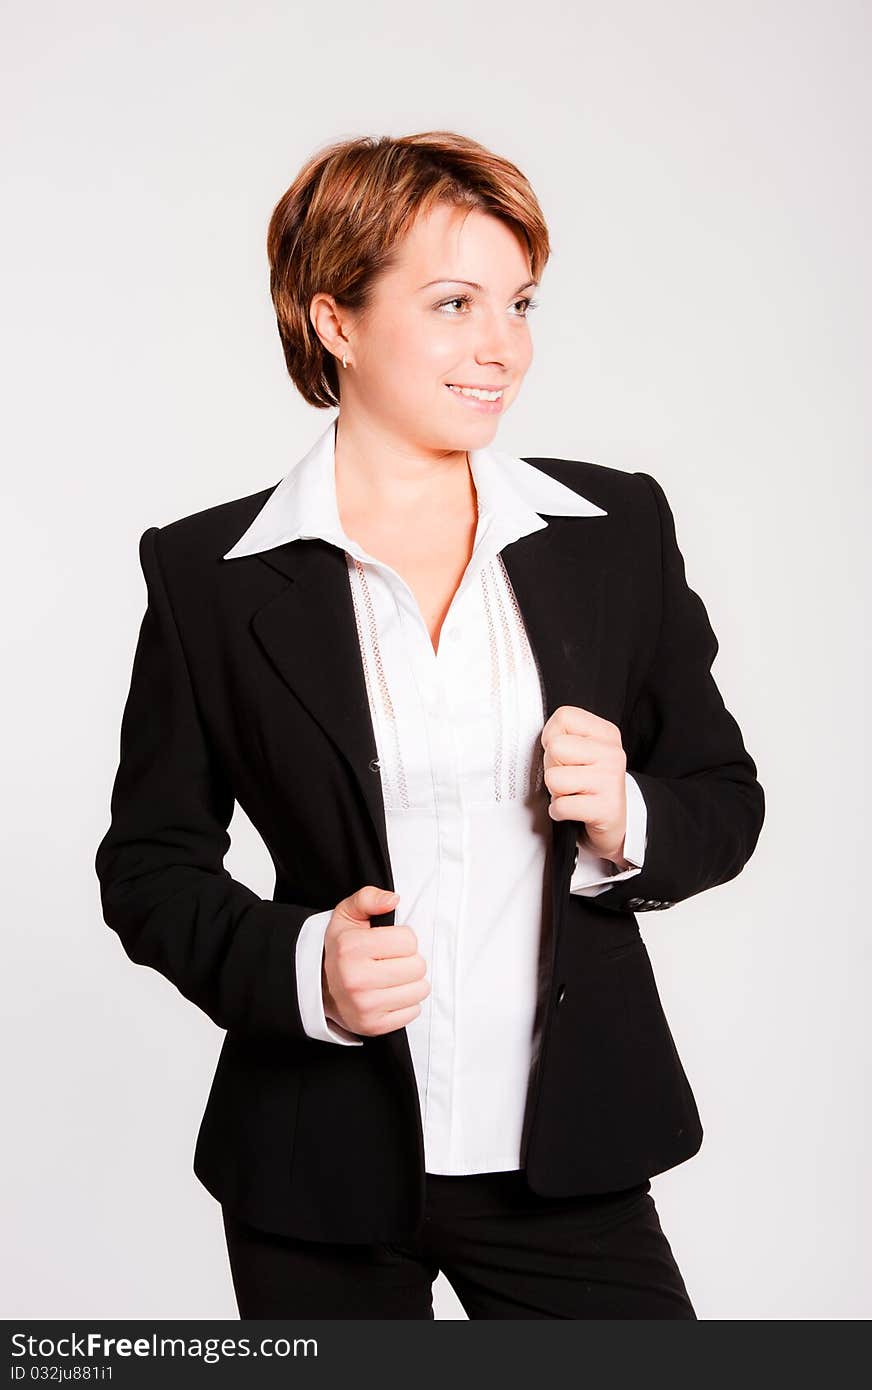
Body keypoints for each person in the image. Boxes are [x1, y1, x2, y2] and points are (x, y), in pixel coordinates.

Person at [94, 130, 765, 1319]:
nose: (500, 345)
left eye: (518, 302)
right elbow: (148, 865)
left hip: (570, 1155)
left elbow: (722, 792)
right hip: (315, 1164)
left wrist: (629, 816)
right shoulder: (211, 574)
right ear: (334, 323)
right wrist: (305, 967)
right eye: (452, 302)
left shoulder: (613, 531)